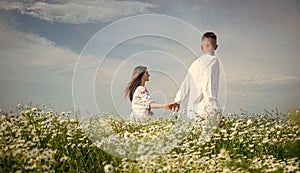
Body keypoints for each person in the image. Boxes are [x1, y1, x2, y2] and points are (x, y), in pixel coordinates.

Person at [170, 32, 223, 126]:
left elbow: (185, 84)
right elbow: (208, 85)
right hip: (205, 110)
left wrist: (178, 100)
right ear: (216, 46)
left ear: (201, 47)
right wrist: (216, 109)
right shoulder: (213, 60)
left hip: (192, 110)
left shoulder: (195, 63)